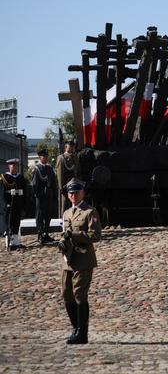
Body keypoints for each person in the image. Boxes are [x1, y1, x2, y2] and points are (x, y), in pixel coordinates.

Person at [60, 178, 102, 345]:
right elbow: (65, 232)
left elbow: (96, 235)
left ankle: (82, 333)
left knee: (79, 295)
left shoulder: (90, 212)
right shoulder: (66, 213)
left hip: (83, 260)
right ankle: (75, 328)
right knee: (66, 294)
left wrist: (75, 236)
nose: (73, 195)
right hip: (68, 260)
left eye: (76, 192)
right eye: (71, 193)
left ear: (83, 193)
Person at [31, 148, 57, 244]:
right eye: (44, 156)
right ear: (40, 157)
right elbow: (34, 184)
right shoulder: (37, 168)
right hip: (41, 196)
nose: (45, 158)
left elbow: (53, 182)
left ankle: (46, 233)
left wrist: (54, 194)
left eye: (46, 156)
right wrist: (39, 195)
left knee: (48, 215)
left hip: (48, 195)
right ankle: (40, 235)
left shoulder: (49, 168)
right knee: (40, 216)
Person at [1, 158, 26, 250]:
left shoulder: (20, 177)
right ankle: (10, 243)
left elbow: (25, 191)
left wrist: (23, 203)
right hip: (9, 204)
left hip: (18, 203)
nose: (14, 167)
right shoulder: (4, 177)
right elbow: (2, 192)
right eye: (12, 165)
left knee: (16, 222)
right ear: (9, 166)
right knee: (9, 223)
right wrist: (5, 203)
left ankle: (16, 242)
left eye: (16, 165)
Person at [55, 141, 80, 216]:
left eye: (73, 146)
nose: (72, 148)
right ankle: (65, 221)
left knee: (75, 204)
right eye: (70, 146)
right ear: (66, 147)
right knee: (66, 204)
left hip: (75, 185)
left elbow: (78, 171)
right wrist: (61, 187)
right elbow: (59, 173)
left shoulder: (75, 157)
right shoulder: (61, 158)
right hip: (66, 186)